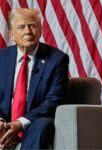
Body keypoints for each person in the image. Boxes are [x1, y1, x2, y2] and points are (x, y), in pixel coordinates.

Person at [0, 8, 69, 149]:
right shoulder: (2, 58)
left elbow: (54, 100)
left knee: (41, 125)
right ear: (12, 35)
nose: (27, 32)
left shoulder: (57, 59)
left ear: (40, 30)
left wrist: (21, 123)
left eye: (32, 26)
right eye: (21, 27)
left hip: (35, 121)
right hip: (5, 119)